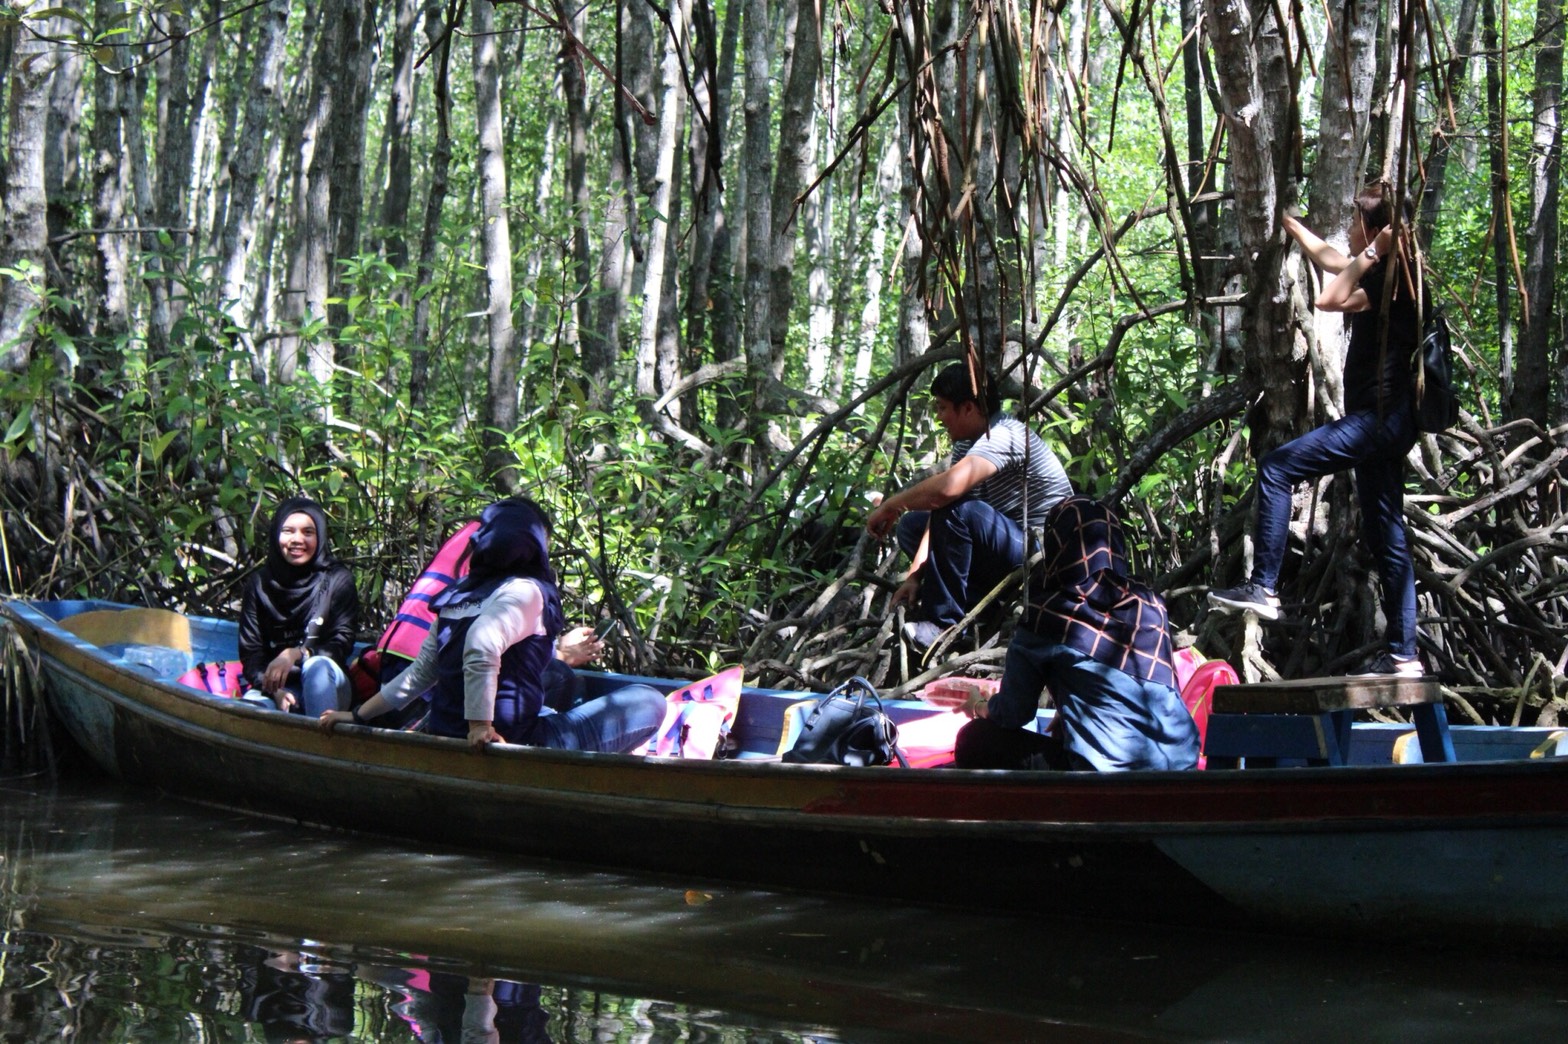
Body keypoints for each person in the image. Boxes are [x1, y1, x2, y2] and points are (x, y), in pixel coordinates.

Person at [1208, 180, 1425, 677]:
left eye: (1356, 224)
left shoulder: (1392, 278)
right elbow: (1333, 262)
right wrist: (1291, 226)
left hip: (1376, 422)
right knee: (1387, 532)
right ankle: (1404, 654)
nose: (1348, 232)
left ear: (1375, 231)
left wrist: (1371, 250)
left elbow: (1328, 297)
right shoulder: (1391, 269)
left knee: (1278, 465)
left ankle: (1263, 587)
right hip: (1388, 425)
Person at [319, 497, 665, 752]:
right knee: (649, 701)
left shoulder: (455, 594)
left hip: (446, 736)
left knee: (559, 677)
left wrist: (358, 716)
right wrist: (480, 727)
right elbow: (482, 645)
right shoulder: (525, 591)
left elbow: (421, 675)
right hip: (507, 742)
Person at [953, 495, 1199, 772]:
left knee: (974, 740)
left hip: (1102, 779)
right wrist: (1068, 711)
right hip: (1181, 767)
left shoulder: (1047, 614)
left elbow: (1013, 713)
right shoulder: (1150, 604)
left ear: (1057, 546)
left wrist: (980, 706)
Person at [865, 362, 1073, 650]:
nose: (939, 417)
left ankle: (943, 625)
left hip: (1044, 555)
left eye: (942, 408)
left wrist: (892, 505)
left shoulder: (1003, 434)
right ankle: (975, 608)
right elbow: (941, 509)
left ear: (968, 408)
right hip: (1009, 548)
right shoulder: (967, 443)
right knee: (914, 526)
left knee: (959, 511)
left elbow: (947, 492)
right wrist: (915, 576)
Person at [238, 496, 359, 716]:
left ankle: (321, 747)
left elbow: (341, 644)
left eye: (307, 532)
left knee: (317, 668)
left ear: (320, 536)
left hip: (329, 682)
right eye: (288, 531)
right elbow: (251, 654)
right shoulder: (258, 584)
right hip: (275, 687)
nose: (297, 539)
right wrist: (275, 691)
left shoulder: (337, 579)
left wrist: (297, 654)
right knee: (251, 709)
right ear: (276, 535)